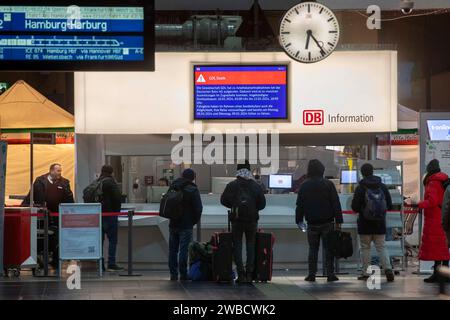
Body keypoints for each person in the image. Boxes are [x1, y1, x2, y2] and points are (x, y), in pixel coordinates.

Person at [295, 159, 342, 282]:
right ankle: (330, 274)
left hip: (312, 223)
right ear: (322, 170)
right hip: (327, 222)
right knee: (329, 249)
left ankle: (311, 274)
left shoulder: (304, 185)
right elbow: (335, 203)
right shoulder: (328, 184)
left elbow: (299, 205)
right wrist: (339, 221)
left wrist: (299, 220)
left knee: (313, 249)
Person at [221, 160, 266, 283]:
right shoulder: (256, 185)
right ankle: (249, 274)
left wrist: (234, 205)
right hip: (252, 220)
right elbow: (262, 204)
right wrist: (254, 207)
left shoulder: (232, 185)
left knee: (237, 245)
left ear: (238, 170)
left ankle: (240, 274)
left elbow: (223, 200)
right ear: (249, 169)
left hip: (236, 219)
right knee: (251, 245)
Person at [22, 163, 74, 269]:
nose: (60, 173)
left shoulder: (64, 183)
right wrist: (23, 208)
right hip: (41, 217)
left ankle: (55, 261)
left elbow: (69, 199)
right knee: (41, 237)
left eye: (61, 171)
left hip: (57, 217)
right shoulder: (40, 181)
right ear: (51, 171)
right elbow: (30, 196)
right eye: (58, 171)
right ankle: (38, 259)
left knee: (58, 238)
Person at [351, 163, 395, 282]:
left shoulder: (360, 188)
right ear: (373, 171)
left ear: (362, 173)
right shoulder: (382, 186)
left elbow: (354, 207)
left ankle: (366, 273)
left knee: (366, 248)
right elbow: (390, 205)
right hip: (380, 223)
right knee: (381, 246)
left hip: (365, 223)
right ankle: (388, 269)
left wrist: (362, 209)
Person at [418, 159, 450, 283]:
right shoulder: (443, 180)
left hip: (435, 219)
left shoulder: (433, 182)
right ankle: (444, 274)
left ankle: (437, 274)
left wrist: (418, 204)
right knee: (443, 247)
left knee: (438, 248)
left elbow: (432, 201)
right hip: (443, 217)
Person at [168, 169, 203, 281]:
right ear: (193, 177)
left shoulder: (173, 186)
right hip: (186, 224)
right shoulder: (193, 189)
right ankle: (183, 274)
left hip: (173, 223)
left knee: (173, 250)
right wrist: (193, 221)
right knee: (184, 250)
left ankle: (173, 274)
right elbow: (198, 209)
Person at [97, 165, 124, 272]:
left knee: (100, 240)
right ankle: (111, 263)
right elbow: (117, 197)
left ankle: (101, 263)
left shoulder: (97, 181)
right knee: (113, 240)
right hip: (110, 215)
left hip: (98, 214)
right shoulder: (111, 182)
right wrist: (117, 212)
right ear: (111, 172)